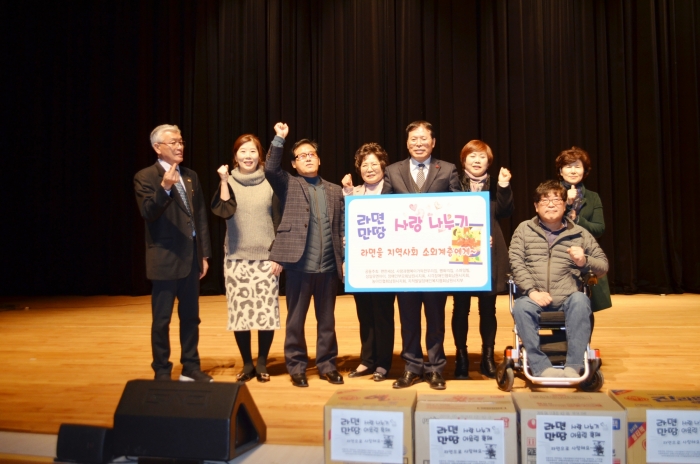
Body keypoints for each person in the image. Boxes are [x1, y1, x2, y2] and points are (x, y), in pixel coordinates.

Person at [264, 122, 346, 388]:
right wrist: (279, 138)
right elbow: (270, 168)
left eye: (312, 154)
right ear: (295, 164)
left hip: (329, 267)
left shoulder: (334, 191)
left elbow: (341, 227)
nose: (308, 158)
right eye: (302, 156)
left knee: (327, 322)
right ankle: (297, 366)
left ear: (319, 160)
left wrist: (343, 257)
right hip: (299, 265)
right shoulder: (288, 183)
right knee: (296, 321)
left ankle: (327, 365)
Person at [382, 120, 461, 390]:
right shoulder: (392, 171)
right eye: (413, 139)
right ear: (407, 143)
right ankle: (412, 366)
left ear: (433, 142)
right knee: (408, 316)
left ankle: (436, 367)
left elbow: (461, 210)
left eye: (423, 138)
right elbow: (383, 212)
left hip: (437, 259)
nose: (419, 143)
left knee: (436, 316)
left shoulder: (448, 169)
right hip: (404, 260)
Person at [134, 124, 213, 382]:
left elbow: (200, 216)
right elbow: (148, 212)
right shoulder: (145, 177)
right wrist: (165, 189)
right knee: (162, 320)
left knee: (191, 317)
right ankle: (162, 370)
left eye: (181, 141)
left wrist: (204, 255)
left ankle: (191, 367)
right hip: (165, 259)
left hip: (191, 258)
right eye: (173, 143)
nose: (179, 146)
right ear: (158, 147)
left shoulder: (190, 176)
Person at [509, 180, 608, 378]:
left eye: (556, 200)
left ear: (565, 205)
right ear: (536, 206)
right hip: (533, 296)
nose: (551, 204)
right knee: (521, 307)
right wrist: (532, 291)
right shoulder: (524, 229)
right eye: (545, 201)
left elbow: (603, 266)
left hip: (567, 298)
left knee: (581, 300)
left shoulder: (579, 233)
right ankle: (539, 366)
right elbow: (516, 262)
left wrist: (584, 261)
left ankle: (574, 365)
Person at [211, 134, 282, 383]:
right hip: (236, 257)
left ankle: (262, 362)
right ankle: (247, 363)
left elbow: (279, 219)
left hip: (266, 257)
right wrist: (222, 180)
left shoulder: (270, 181)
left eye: (252, 151)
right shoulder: (228, 180)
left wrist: (278, 254)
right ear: (235, 156)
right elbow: (223, 210)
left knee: (265, 313)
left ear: (259, 155)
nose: (248, 156)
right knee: (240, 313)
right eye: (243, 152)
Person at [451, 140, 513, 380]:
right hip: (461, 250)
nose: (477, 161)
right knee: (461, 308)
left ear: (489, 161)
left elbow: (506, 212)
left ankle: (487, 358)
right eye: (472, 156)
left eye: (482, 157)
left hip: (491, 250)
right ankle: (461, 358)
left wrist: (504, 186)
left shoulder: (495, 184)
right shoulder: (453, 183)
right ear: (463, 160)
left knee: (488, 308)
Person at [341, 143, 396, 382]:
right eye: (365, 165)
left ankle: (383, 363)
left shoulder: (394, 192)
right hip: (360, 264)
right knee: (365, 313)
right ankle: (367, 360)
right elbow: (344, 227)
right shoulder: (354, 194)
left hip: (387, 264)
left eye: (374, 164)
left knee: (383, 313)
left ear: (383, 166)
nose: (370, 169)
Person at [556, 147, 612, 312]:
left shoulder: (593, 197)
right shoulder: (551, 192)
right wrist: (566, 203)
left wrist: (578, 220)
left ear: (584, 170)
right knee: (559, 305)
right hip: (559, 255)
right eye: (568, 166)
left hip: (584, 255)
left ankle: (582, 339)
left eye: (577, 166)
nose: (573, 171)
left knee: (586, 306)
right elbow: (545, 221)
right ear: (560, 170)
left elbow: (599, 228)